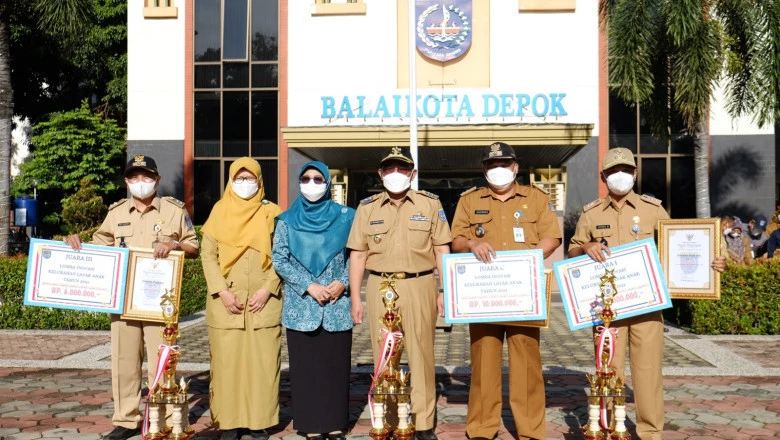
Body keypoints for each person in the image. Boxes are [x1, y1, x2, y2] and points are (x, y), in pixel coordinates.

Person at [568, 148, 725, 440]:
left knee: (648, 372)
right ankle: (609, 428)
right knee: (609, 371)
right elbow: (573, 249)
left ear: (635, 174)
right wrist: (585, 248)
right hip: (607, 311)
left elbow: (676, 246)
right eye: (614, 171)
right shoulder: (591, 213)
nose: (620, 176)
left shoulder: (652, 209)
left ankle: (651, 432)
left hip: (646, 307)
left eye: (626, 170)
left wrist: (710, 261)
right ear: (603, 176)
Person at [64, 155, 199, 440]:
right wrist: (74, 243)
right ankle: (126, 419)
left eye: (146, 177)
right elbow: (98, 249)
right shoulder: (116, 213)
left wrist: (172, 243)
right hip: (123, 299)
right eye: (134, 177)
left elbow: (193, 245)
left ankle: (159, 417)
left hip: (159, 302)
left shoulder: (174, 210)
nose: (141, 183)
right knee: (124, 361)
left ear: (157, 179)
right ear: (126, 181)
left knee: (162, 360)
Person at [450, 142, 561, 440]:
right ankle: (483, 428)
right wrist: (472, 244)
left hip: (523, 292)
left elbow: (552, 235)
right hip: (484, 295)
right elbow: (456, 240)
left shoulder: (536, 199)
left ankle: (530, 430)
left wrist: (531, 258)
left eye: (504, 164)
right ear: (484, 169)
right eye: (492, 165)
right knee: (484, 362)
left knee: (527, 362)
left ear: (515, 167)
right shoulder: (469, 201)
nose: (498, 169)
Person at [346, 147, 451, 440]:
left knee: (421, 354)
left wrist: (444, 290)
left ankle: (423, 421)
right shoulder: (367, 208)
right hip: (380, 286)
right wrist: (356, 298)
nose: (395, 174)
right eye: (389, 169)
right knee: (385, 355)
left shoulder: (431, 204)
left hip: (420, 285)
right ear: (380, 174)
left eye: (402, 169)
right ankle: (389, 417)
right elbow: (357, 255)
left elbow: (442, 249)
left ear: (412, 174)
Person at [200, 158, 282, 440]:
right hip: (227, 301)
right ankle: (229, 422)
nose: (245, 184)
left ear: (260, 181)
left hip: (264, 301)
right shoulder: (219, 211)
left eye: (251, 179)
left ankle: (259, 422)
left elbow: (283, 254)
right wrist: (221, 290)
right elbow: (207, 254)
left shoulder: (272, 212)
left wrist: (269, 287)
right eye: (240, 178)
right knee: (227, 364)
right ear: (230, 180)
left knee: (263, 363)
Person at [272, 161, 355, 440]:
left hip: (336, 304)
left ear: (328, 183)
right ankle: (309, 423)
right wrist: (309, 286)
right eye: (305, 178)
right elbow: (279, 259)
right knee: (306, 368)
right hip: (301, 305)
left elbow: (357, 254)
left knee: (335, 365)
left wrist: (342, 283)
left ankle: (334, 422)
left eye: (318, 179)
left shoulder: (347, 217)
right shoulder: (286, 220)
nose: (311, 183)